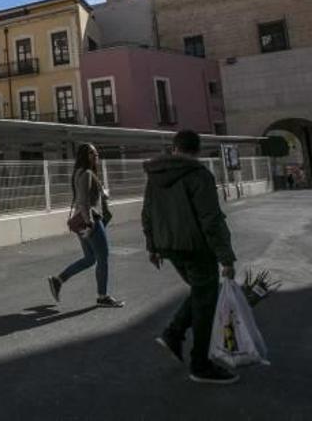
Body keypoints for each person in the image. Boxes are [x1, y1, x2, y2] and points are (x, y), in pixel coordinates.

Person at [142, 130, 239, 385]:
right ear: (196, 150)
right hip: (196, 248)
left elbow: (147, 213)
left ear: (175, 148)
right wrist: (226, 258)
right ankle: (200, 363)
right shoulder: (199, 175)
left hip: (169, 248)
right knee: (205, 301)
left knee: (201, 291)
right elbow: (211, 220)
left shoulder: (155, 175)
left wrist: (152, 247)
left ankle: (174, 333)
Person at [47, 143, 124, 308]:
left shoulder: (79, 172)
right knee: (103, 258)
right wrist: (90, 225)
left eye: (96, 153)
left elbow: (83, 198)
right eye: (92, 153)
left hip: (81, 220)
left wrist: (102, 194)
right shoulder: (87, 173)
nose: (96, 156)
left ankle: (58, 280)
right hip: (91, 221)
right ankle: (102, 296)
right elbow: (83, 202)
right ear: (84, 155)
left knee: (90, 259)